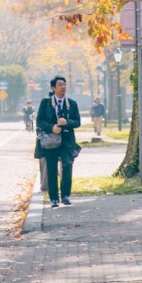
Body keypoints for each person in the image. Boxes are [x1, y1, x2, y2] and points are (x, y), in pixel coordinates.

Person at [35, 75, 81, 207]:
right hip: (50, 141)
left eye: (65, 84)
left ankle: (66, 195)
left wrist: (67, 122)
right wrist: (52, 127)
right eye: (60, 84)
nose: (63, 87)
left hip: (67, 141)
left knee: (67, 165)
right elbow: (39, 122)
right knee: (51, 169)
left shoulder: (72, 104)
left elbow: (77, 122)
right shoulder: (46, 103)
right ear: (53, 88)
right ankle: (54, 198)